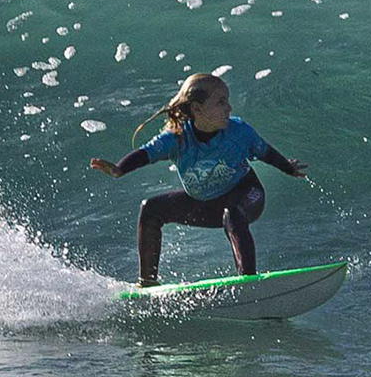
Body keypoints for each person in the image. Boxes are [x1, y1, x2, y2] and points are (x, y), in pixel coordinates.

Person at [90, 72, 306, 286]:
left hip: (247, 194)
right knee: (151, 209)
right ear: (197, 108)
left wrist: (288, 167)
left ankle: (248, 281)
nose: (229, 108)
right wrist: (119, 169)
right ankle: (147, 283)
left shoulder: (238, 131)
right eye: (221, 102)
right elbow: (146, 153)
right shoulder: (176, 138)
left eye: (227, 101)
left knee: (233, 213)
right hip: (206, 204)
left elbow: (265, 152)